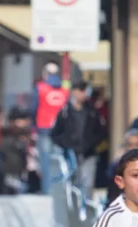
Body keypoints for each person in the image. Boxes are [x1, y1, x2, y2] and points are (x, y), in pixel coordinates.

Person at [50, 80, 107, 197]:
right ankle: (75, 208)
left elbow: (101, 132)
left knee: (88, 186)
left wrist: (91, 144)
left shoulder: (92, 112)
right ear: (74, 92)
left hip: (88, 155)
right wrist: (66, 145)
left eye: (85, 91)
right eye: (81, 90)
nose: (84, 94)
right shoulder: (65, 112)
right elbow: (55, 134)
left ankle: (86, 207)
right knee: (73, 187)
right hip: (71, 156)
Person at [32, 62, 68, 194]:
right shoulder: (65, 90)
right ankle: (59, 189)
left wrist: (33, 126)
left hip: (44, 128)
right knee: (59, 160)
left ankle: (47, 190)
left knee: (45, 161)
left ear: (45, 74)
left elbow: (33, 108)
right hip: (60, 131)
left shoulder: (40, 88)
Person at [106, 129, 138, 202]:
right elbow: (110, 180)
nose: (134, 148)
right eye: (131, 145)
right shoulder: (118, 165)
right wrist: (117, 162)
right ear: (126, 147)